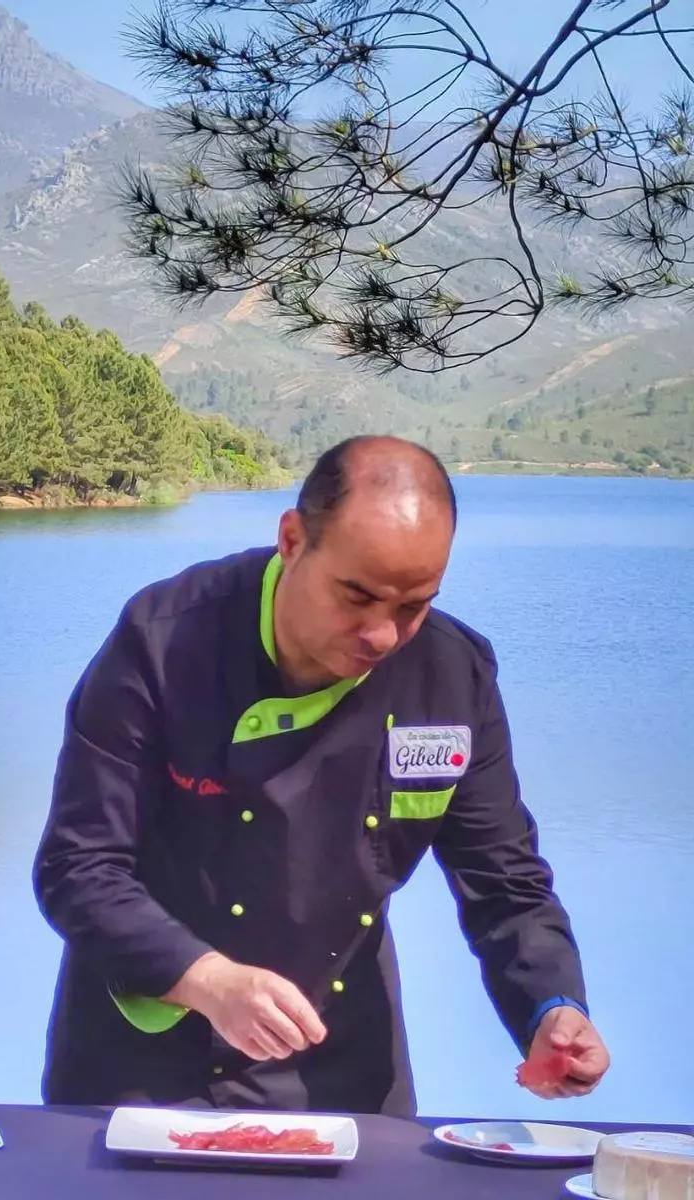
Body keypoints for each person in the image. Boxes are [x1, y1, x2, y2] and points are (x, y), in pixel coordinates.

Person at [30, 435, 610, 1116]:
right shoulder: (162, 639)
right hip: (140, 1063)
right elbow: (79, 868)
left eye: (413, 604)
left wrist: (553, 1006)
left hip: (342, 1069)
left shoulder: (453, 677)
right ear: (292, 539)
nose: (383, 635)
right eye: (357, 596)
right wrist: (208, 980)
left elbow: (505, 884)